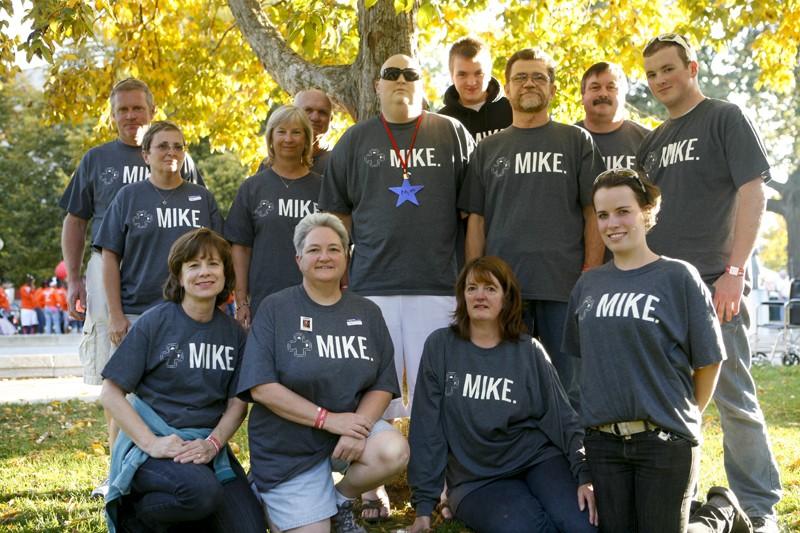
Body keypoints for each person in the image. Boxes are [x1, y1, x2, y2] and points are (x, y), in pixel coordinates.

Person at [319, 53, 475, 520]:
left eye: (411, 73)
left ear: (423, 83)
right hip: (372, 286)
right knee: (372, 388)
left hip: (438, 285)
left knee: (441, 389)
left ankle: (449, 484)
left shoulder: (451, 133)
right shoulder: (355, 139)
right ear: (377, 84)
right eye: (392, 74)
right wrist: (342, 271)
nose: (402, 80)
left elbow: (472, 213)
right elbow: (337, 214)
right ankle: (372, 488)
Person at [637, 33, 781, 532]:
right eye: (652, 73)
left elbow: (753, 191)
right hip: (662, 289)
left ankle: (758, 508)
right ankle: (684, 497)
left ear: (691, 68)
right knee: (671, 402)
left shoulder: (725, 116)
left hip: (715, 282)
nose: (659, 80)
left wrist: (735, 272)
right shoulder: (652, 142)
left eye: (668, 69)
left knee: (733, 396)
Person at [59, 78, 203, 496]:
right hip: (112, 274)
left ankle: (167, 461)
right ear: (112, 114)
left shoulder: (178, 157)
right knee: (119, 377)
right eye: (122, 109)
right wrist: (72, 278)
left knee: (172, 375)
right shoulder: (97, 159)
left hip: (174, 282)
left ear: (151, 111)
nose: (130, 116)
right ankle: (117, 471)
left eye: (137, 108)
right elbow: (76, 220)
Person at [563, 168, 725, 532]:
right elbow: (584, 366)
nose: (611, 223)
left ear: (646, 212)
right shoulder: (588, 285)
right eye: (603, 215)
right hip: (603, 445)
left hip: (664, 442)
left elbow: (710, 360)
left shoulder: (678, 277)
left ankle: (719, 514)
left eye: (623, 211)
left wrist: (681, 416)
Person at [237, 213, 409, 533]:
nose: (325, 257)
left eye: (334, 248)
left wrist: (357, 429)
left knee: (392, 450)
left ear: (347, 255)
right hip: (287, 450)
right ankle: (265, 493)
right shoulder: (276, 308)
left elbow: (382, 384)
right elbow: (261, 387)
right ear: (299, 259)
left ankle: (339, 501)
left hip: (344, 438)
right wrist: (329, 420)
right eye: (314, 250)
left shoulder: (367, 312)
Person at [459, 47, 605, 409]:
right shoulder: (487, 149)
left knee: (570, 390)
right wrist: (474, 282)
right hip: (504, 291)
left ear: (553, 89)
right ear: (506, 89)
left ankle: (574, 463)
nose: (529, 83)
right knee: (507, 389)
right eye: (521, 77)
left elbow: (593, 213)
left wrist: (590, 273)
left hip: (565, 287)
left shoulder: (576, 141)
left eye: (539, 77)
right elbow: (476, 220)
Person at [407, 256, 597, 533]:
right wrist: (423, 508)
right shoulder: (441, 347)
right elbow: (427, 429)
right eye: (472, 288)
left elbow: (563, 417)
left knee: (582, 526)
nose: (480, 295)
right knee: (528, 529)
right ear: (462, 297)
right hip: (477, 480)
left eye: (490, 288)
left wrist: (584, 473)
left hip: (538, 460)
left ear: (507, 298)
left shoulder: (528, 350)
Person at [100, 228, 264, 533]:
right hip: (155, 445)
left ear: (225, 273)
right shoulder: (155, 321)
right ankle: (135, 519)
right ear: (178, 274)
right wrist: (153, 444)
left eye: (213, 264)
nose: (204, 272)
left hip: (205, 445)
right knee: (200, 493)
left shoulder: (234, 334)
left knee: (249, 528)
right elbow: (111, 393)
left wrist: (213, 444)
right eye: (193, 265)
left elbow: (237, 404)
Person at [96, 120, 222, 348]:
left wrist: (219, 308)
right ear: (146, 155)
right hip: (137, 313)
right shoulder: (128, 197)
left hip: (193, 312)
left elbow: (223, 258)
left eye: (178, 146)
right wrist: (115, 315)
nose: (171, 152)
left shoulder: (203, 198)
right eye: (162, 146)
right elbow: (110, 257)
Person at [226, 105, 321, 328]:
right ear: (270, 138)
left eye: (296, 132)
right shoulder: (252, 187)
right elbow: (240, 248)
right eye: (281, 131)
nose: (289, 138)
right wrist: (241, 302)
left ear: (307, 139)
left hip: (316, 298)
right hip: (264, 301)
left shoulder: (324, 188)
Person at [576, 61, 650, 170]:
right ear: (583, 97)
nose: (603, 94)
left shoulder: (648, 141)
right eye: (595, 87)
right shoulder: (568, 141)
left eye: (611, 87)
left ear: (624, 95)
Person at [438, 36, 512, 142]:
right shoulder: (442, 122)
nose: (471, 82)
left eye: (479, 73)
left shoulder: (511, 110)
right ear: (451, 76)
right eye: (462, 74)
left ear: (489, 73)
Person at [258, 89, 334, 175]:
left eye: (322, 112)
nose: (315, 117)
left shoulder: (337, 164)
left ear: (330, 119)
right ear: (292, 113)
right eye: (308, 110)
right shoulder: (269, 165)